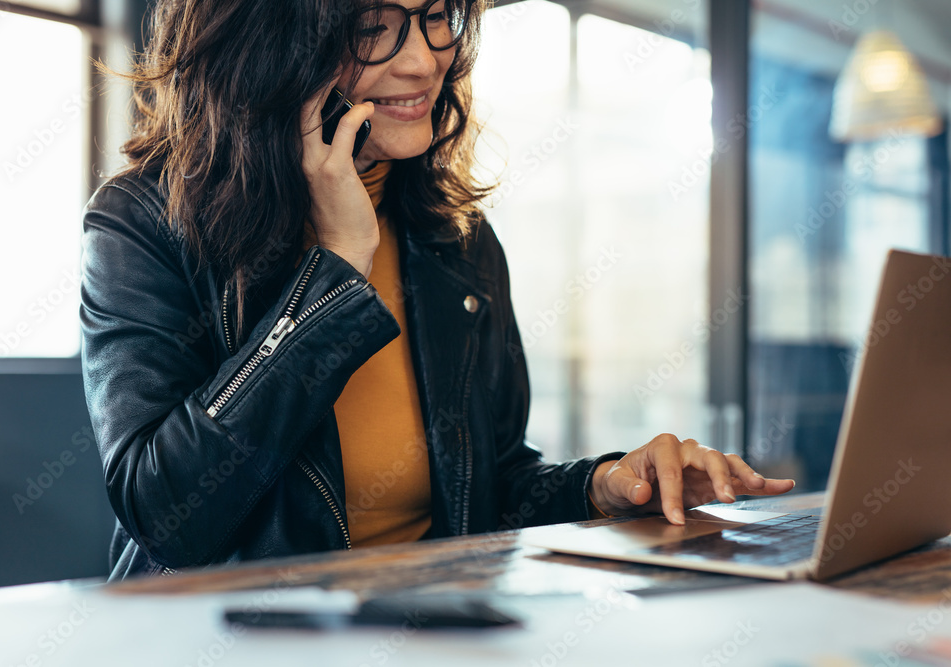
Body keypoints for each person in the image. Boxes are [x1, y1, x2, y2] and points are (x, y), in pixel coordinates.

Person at [80, 0, 794, 580]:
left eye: (436, 15)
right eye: (371, 26)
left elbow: (489, 483)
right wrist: (334, 272)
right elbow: (168, 517)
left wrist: (607, 485)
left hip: (426, 631)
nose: (423, 59)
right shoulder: (144, 223)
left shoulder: (456, 238)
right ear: (271, 42)